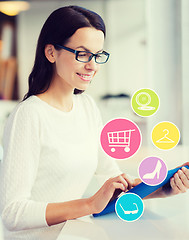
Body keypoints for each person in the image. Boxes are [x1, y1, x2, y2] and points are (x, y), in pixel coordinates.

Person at [0, 5, 189, 240]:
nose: (93, 66)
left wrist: (162, 189)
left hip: (74, 233)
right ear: (51, 53)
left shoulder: (87, 107)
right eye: (82, 54)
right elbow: (12, 212)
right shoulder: (29, 116)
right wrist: (89, 204)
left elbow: (112, 181)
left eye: (98, 55)